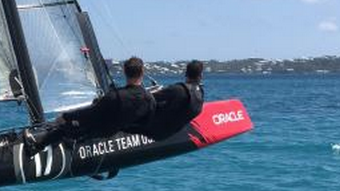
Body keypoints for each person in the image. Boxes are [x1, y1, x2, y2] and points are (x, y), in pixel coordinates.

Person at [24, 56, 156, 153]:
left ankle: (36, 147)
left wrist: (66, 116)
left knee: (65, 128)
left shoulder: (114, 96)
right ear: (142, 72)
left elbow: (89, 113)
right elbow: (147, 120)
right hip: (116, 131)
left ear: (125, 72)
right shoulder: (149, 99)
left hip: (98, 131)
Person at [145, 59, 205, 140]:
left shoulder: (178, 90)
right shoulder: (200, 93)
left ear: (186, 74)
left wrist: (152, 91)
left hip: (157, 131)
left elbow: (147, 98)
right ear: (201, 76)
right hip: (174, 127)